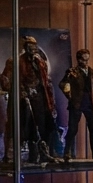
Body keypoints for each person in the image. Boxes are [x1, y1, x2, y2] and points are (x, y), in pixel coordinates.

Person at [0, 35, 58, 164]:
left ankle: (39, 154)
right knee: (20, 127)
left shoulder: (40, 62)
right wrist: (21, 91)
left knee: (40, 126)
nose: (33, 48)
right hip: (22, 100)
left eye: (34, 46)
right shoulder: (14, 61)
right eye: (30, 46)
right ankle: (12, 157)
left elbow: (44, 81)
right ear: (25, 47)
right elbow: (6, 80)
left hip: (38, 99)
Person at [60, 48, 93, 161]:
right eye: (84, 59)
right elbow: (63, 83)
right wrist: (69, 94)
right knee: (73, 129)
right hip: (76, 103)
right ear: (78, 60)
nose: (86, 62)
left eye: (87, 59)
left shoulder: (92, 72)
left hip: (88, 102)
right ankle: (67, 152)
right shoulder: (72, 72)